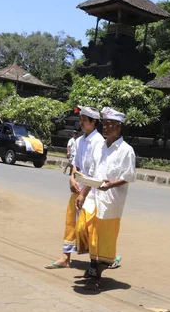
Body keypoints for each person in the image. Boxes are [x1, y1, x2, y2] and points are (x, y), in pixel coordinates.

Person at [75, 107, 135, 291]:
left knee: (99, 237)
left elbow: (128, 176)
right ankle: (97, 264)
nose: (105, 128)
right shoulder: (100, 147)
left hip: (111, 201)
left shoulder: (126, 150)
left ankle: (96, 271)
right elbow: (92, 173)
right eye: (105, 124)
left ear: (119, 127)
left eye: (110, 125)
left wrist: (110, 185)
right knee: (82, 227)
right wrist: (82, 193)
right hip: (94, 195)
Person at [44, 107, 103, 269]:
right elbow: (75, 164)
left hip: (91, 190)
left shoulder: (99, 143)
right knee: (71, 221)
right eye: (80, 120)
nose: (81, 123)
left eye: (84, 120)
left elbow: (95, 170)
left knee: (89, 224)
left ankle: (100, 258)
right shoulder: (79, 141)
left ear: (93, 122)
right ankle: (65, 257)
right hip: (77, 187)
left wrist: (84, 191)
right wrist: (72, 178)